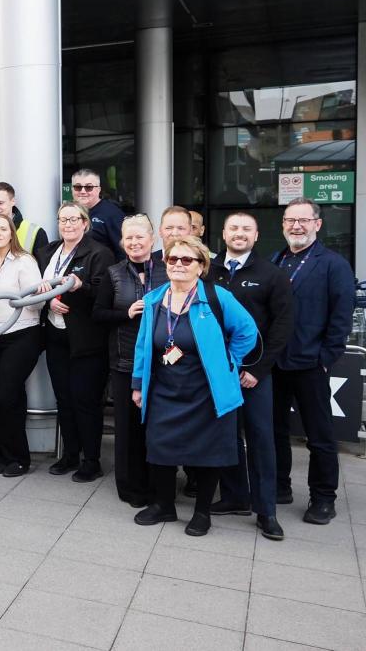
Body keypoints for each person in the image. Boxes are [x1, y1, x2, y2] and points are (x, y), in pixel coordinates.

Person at [131, 236, 257, 537]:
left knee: (208, 452)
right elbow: (143, 346)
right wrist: (137, 384)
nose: (178, 264)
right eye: (173, 259)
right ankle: (164, 506)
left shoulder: (216, 297)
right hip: (164, 388)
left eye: (187, 260)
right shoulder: (153, 301)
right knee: (159, 448)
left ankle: (202, 513)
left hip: (206, 391)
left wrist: (229, 361)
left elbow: (247, 331)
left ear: (200, 266)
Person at [209, 212, 293, 540]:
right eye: (234, 228)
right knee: (226, 435)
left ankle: (266, 510)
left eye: (246, 229)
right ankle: (233, 496)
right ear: (224, 234)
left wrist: (258, 370)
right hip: (219, 372)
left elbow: (283, 326)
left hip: (255, 373)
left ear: (256, 236)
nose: (239, 234)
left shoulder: (272, 275)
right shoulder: (208, 270)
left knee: (261, 439)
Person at [271, 197, 354, 525]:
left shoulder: (334, 264)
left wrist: (325, 358)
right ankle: (279, 487)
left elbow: (341, 316)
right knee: (275, 431)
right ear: (283, 225)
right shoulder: (276, 259)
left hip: (311, 365)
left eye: (303, 220)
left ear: (318, 224)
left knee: (319, 436)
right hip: (275, 364)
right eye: (291, 220)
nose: (296, 226)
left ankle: (323, 498)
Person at [35, 201, 115, 482]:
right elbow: (38, 291)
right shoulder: (47, 252)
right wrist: (49, 304)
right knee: (64, 399)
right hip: (56, 335)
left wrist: (80, 289)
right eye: (62, 219)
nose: (67, 224)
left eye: (73, 219)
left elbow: (104, 295)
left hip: (87, 340)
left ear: (85, 223)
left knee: (86, 401)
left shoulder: (99, 253)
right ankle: (70, 454)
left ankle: (91, 460)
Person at [0, 181, 49, 462]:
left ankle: (19, 457)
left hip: (21, 335)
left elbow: (37, 301)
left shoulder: (24, 261)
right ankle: (5, 455)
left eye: (3, 228)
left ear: (11, 231)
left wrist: (37, 294)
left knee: (8, 395)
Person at [94, 214, 165, 506]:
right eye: (129, 238)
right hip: (124, 360)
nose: (134, 243)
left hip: (162, 363)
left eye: (140, 237)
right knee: (127, 427)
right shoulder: (114, 273)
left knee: (157, 426)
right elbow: (98, 314)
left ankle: (159, 484)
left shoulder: (167, 269)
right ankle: (129, 486)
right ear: (122, 242)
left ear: (152, 239)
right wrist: (126, 314)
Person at [70, 168, 126, 260]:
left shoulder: (112, 214)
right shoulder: (70, 212)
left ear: (98, 190)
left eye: (89, 187)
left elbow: (123, 251)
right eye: (78, 187)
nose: (83, 191)